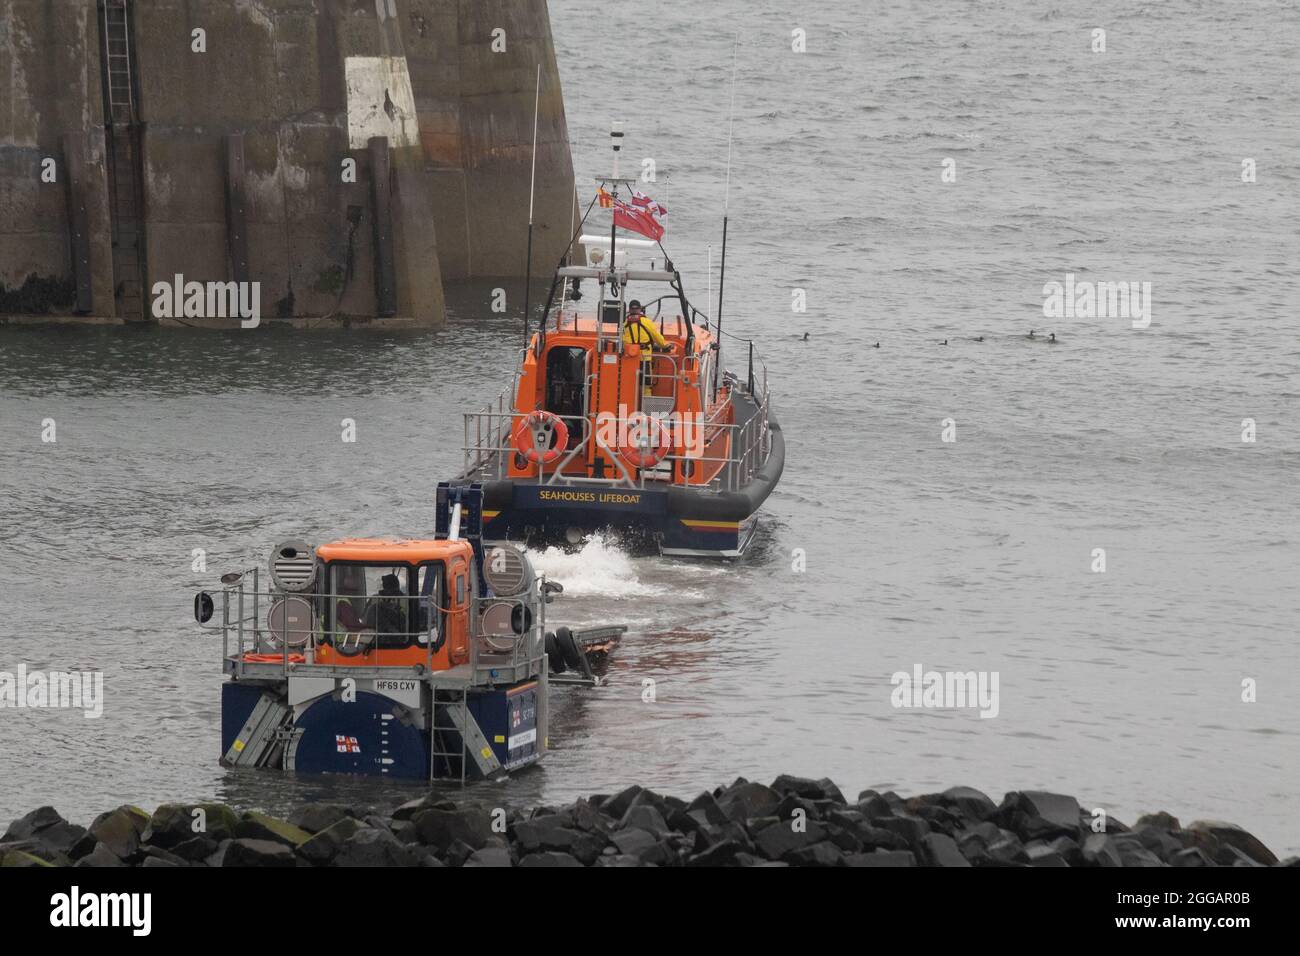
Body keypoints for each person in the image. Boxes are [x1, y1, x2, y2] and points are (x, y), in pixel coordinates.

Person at [621, 300, 668, 396]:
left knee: (629, 384)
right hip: (644, 358)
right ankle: (645, 408)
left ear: (629, 310)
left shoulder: (624, 323)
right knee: (646, 385)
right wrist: (665, 345)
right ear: (640, 309)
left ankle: (628, 406)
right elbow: (656, 336)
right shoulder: (646, 322)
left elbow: (621, 339)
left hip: (629, 359)